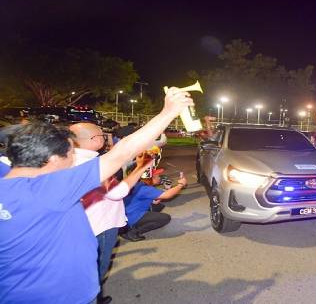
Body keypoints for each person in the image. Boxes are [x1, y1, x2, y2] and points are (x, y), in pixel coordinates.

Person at [0, 89, 193, 303]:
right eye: (70, 153)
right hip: (62, 296)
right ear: (53, 158)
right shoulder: (50, 189)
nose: (74, 159)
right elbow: (122, 152)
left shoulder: (7, 177)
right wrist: (168, 112)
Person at [69, 122, 155, 304]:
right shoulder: (93, 165)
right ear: (93, 139)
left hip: (80, 224)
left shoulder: (68, 159)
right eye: (101, 135)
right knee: (98, 267)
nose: (105, 137)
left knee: (83, 267)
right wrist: (141, 168)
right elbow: (117, 193)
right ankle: (93, 297)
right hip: (101, 225)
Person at [121, 170, 188, 241]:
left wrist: (165, 190)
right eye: (157, 176)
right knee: (165, 218)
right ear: (150, 178)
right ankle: (131, 232)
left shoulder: (139, 184)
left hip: (126, 215)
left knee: (158, 206)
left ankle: (131, 226)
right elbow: (168, 195)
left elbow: (155, 200)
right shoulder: (145, 189)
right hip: (131, 218)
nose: (159, 177)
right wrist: (180, 185)